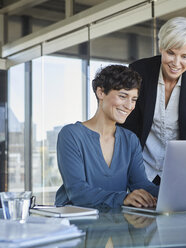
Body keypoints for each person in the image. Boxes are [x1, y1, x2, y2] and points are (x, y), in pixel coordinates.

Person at [121, 17, 186, 185]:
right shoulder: (139, 71)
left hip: (180, 171)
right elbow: (127, 127)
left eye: (185, 56)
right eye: (171, 53)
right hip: (139, 168)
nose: (176, 63)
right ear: (161, 47)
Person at [55, 65, 158, 209]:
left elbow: (140, 184)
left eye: (134, 99)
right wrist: (124, 198)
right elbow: (77, 192)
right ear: (101, 92)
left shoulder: (130, 140)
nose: (129, 106)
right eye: (123, 96)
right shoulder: (71, 135)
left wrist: (171, 195)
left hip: (114, 226)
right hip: (76, 224)